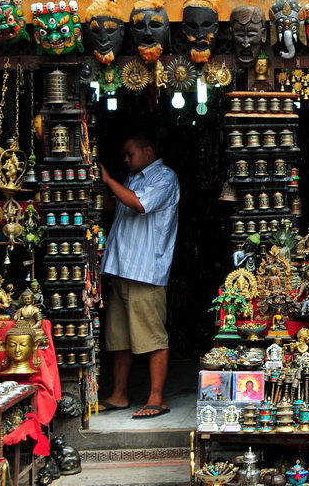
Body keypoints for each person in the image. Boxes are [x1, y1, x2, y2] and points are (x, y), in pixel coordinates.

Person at [99, 131, 180, 419]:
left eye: (130, 154)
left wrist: (109, 180)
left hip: (145, 270)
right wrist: (101, 189)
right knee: (118, 337)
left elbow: (139, 205)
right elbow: (116, 209)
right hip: (121, 266)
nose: (125, 159)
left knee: (153, 336)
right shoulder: (133, 180)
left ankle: (157, 398)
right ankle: (119, 395)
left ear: (148, 152)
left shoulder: (164, 177)